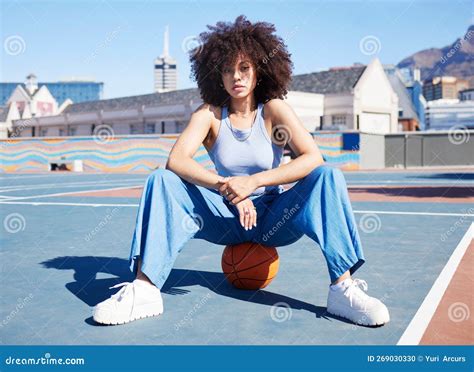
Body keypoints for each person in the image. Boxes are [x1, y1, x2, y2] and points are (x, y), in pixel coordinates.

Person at [93, 15, 389, 327]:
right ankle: (145, 287)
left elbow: (312, 157)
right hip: (225, 218)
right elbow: (177, 160)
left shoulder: (273, 111)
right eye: (227, 69)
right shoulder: (209, 116)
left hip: (275, 219)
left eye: (244, 67)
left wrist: (254, 182)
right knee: (161, 180)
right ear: (216, 76)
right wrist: (229, 187)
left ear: (259, 70)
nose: (236, 76)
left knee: (329, 176)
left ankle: (342, 289)